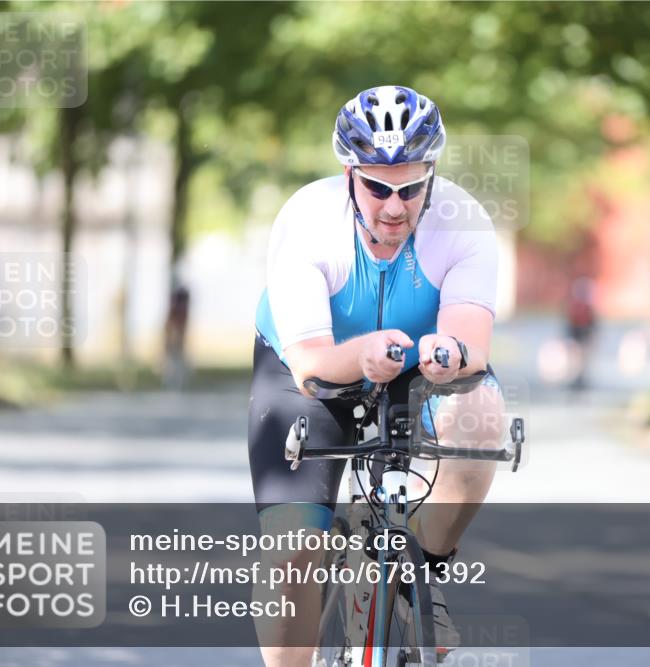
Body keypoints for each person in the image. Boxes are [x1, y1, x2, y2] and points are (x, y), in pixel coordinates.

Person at [247, 85, 505, 666]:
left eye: (412, 188)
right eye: (378, 188)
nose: (395, 206)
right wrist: (362, 357)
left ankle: (423, 572)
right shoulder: (308, 222)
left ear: (432, 176)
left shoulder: (463, 223)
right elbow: (312, 364)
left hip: (416, 368)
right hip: (308, 373)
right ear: (349, 175)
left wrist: (450, 352)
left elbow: (472, 345)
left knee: (482, 419)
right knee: (293, 554)